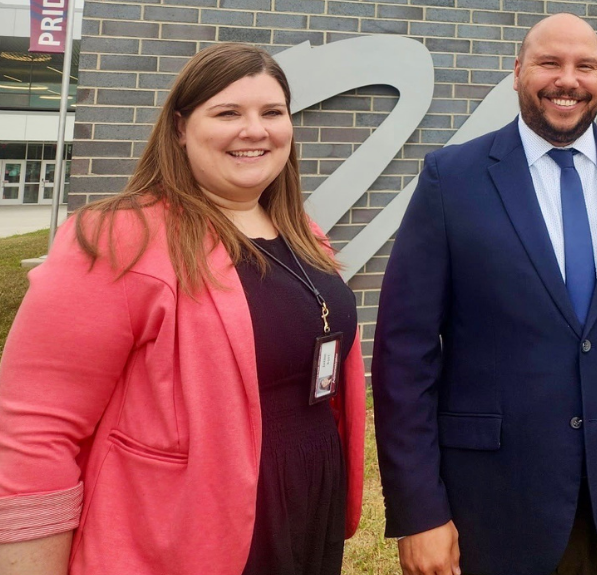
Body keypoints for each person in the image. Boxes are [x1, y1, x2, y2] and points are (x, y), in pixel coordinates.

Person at [0, 44, 361, 575]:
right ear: (178, 128)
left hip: (308, 503)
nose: (255, 130)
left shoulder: (302, 234)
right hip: (180, 532)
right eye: (227, 113)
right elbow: (34, 429)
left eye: (272, 112)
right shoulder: (119, 238)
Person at [375, 13, 597, 575]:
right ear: (517, 72)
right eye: (550, 63)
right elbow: (404, 355)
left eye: (586, 66)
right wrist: (418, 511)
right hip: (494, 500)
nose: (568, 80)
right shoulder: (451, 179)